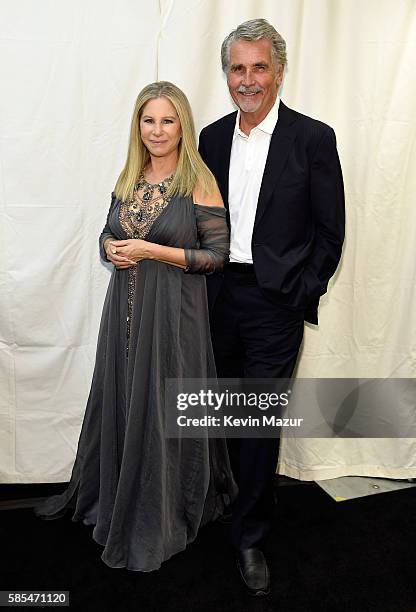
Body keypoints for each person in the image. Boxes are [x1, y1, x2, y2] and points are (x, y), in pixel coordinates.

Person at [35, 81, 237, 572]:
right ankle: (118, 495)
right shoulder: (130, 176)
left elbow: (216, 257)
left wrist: (150, 251)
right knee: (126, 399)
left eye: (167, 120)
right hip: (122, 315)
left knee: (163, 402)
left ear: (182, 125)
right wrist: (109, 245)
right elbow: (110, 230)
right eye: (149, 120)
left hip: (173, 318)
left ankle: (165, 511)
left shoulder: (198, 180)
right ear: (138, 126)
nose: (157, 130)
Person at [198, 19, 345, 596]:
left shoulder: (312, 138)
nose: (249, 79)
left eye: (260, 67)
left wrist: (298, 293)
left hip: (274, 301)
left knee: (258, 419)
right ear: (227, 74)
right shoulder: (208, 138)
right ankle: (228, 503)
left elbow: (330, 233)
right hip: (212, 296)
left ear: (279, 72)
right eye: (239, 67)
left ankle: (251, 536)